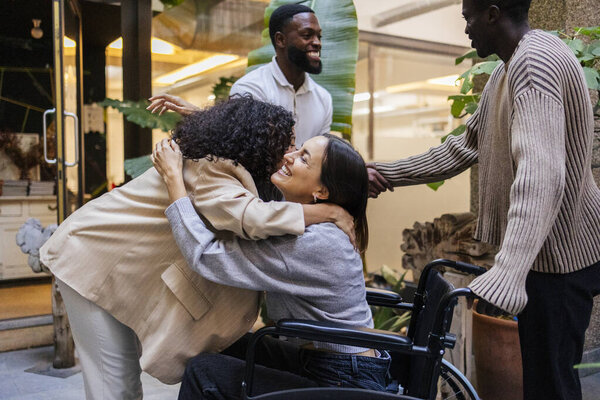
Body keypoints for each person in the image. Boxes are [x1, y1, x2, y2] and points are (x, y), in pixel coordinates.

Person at [39, 97, 353, 400]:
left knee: (123, 383)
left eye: (297, 150)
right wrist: (326, 211)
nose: (289, 154)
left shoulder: (234, 166)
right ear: (258, 142)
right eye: (286, 144)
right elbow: (250, 216)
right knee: (116, 387)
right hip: (90, 257)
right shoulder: (216, 169)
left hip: (117, 264)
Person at [367, 1, 600, 399]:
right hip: (552, 254)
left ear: (493, 14)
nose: (466, 29)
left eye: (468, 19)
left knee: (552, 387)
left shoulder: (535, 63)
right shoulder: (508, 70)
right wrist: (386, 173)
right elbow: (462, 148)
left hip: (560, 260)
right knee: (549, 381)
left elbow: (541, 174)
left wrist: (509, 271)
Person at [153, 134, 395, 400]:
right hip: (331, 361)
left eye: (304, 158)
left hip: (343, 377)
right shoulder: (314, 224)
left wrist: (174, 180)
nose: (289, 156)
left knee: (204, 371)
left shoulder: (315, 242)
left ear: (322, 192)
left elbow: (208, 256)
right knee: (226, 345)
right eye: (298, 148)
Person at [147, 3, 332, 147]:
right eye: (307, 35)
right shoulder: (249, 88)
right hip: (257, 196)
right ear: (280, 40)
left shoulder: (323, 98)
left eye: (319, 36)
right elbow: (247, 146)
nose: (317, 43)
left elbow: (323, 154)